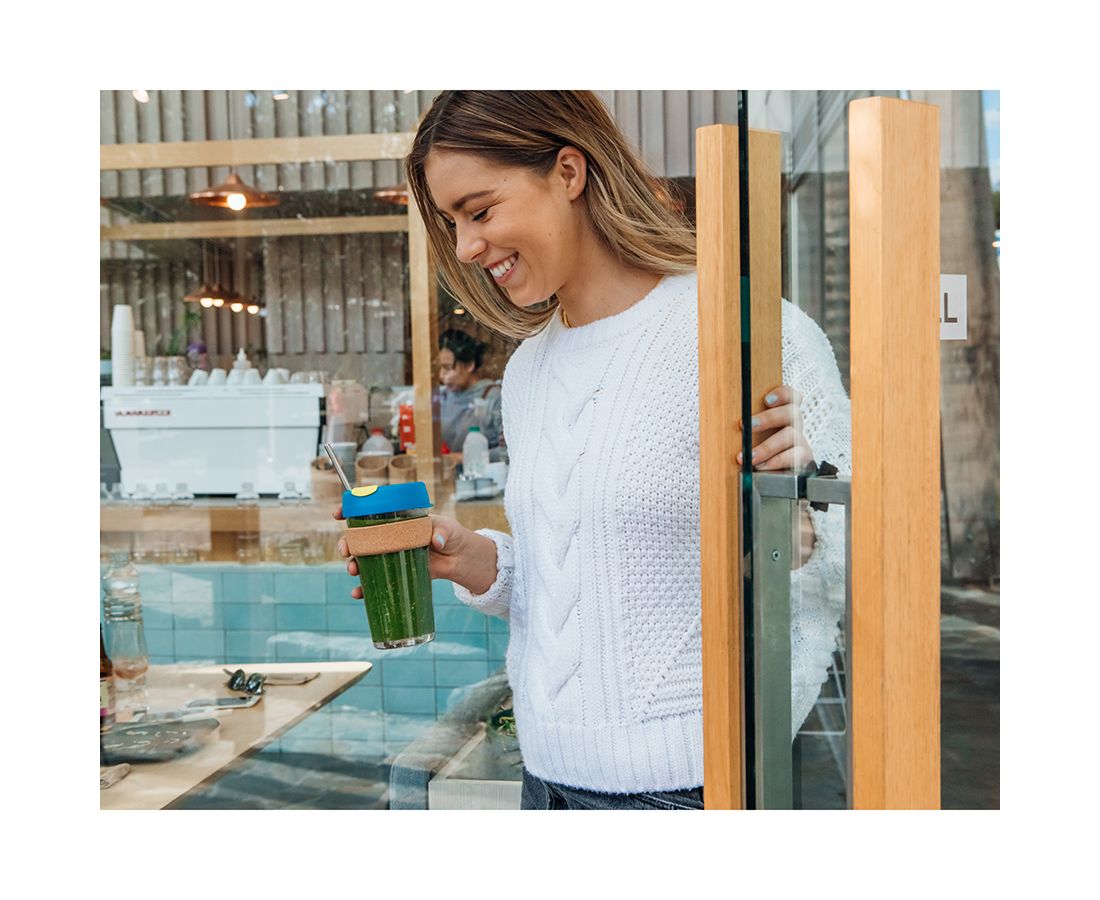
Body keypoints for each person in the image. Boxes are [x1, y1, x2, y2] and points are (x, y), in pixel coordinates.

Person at [337, 91, 850, 810]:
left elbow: (846, 571)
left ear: (569, 172)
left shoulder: (748, 334)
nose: (465, 247)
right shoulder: (529, 371)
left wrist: (795, 502)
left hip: (690, 789)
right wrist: (477, 560)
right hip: (547, 781)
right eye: (452, 223)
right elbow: (590, 584)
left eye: (479, 211)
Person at [437, 328, 503, 452]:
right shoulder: (442, 396)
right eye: (440, 368)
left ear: (469, 365)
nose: (441, 375)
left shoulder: (494, 397)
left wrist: (463, 458)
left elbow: (507, 451)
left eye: (448, 367)